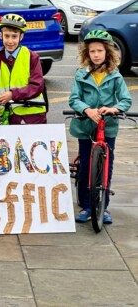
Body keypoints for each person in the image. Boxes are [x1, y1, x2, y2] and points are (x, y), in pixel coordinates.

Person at [69, 30, 132, 224]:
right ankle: (87, 206)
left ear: (107, 52)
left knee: (106, 165)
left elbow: (125, 100)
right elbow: (74, 99)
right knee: (86, 165)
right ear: (87, 53)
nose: (96, 55)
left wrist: (114, 109)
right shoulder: (81, 74)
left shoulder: (115, 75)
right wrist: (86, 109)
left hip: (108, 127)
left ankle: (103, 207)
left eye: (100, 51)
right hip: (85, 126)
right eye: (92, 51)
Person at [0, 14, 47, 124]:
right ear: (1, 35)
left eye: (14, 36)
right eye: (7, 36)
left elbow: (37, 85)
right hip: (7, 115)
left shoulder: (31, 57)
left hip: (32, 115)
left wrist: (13, 94)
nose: (10, 41)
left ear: (21, 37)